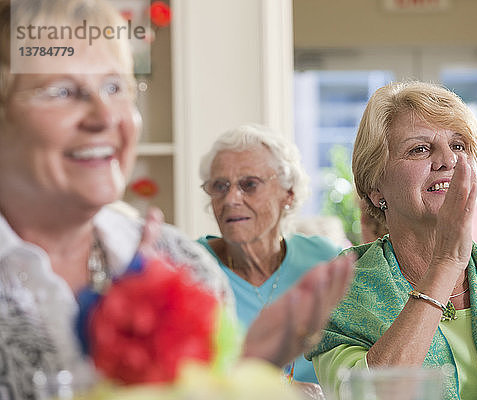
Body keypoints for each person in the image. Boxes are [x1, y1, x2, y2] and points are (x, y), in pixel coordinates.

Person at [0, 1, 353, 398]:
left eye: (115, 87)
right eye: (62, 91)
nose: (104, 116)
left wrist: (244, 371)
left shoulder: (182, 264)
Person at [306, 81, 477, 400]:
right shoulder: (340, 288)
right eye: (419, 149)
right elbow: (363, 396)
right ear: (375, 187)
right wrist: (445, 264)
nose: (447, 161)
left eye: (458, 146)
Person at [197, 124, 342, 384]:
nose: (231, 199)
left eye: (249, 184)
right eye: (220, 186)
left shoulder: (325, 260)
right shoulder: (190, 266)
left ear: (288, 193)